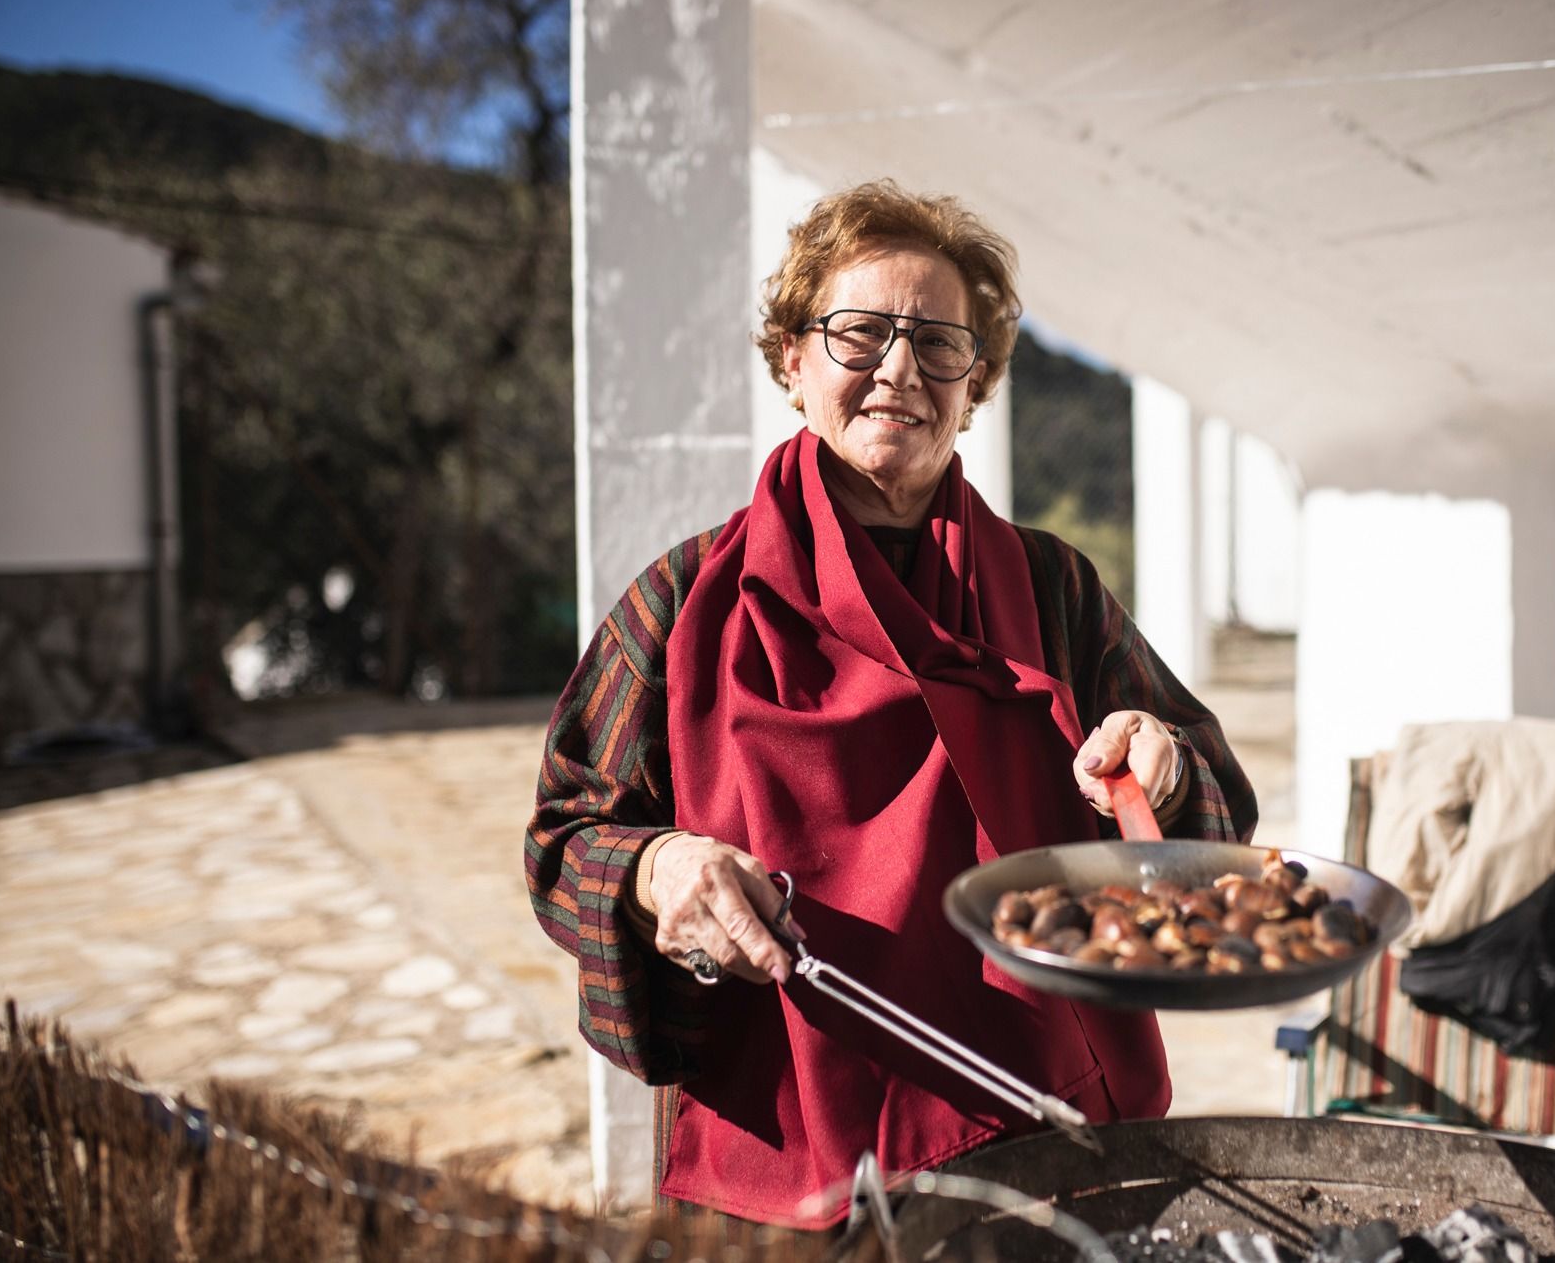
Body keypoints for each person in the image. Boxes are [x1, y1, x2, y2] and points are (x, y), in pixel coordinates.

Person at [526, 180, 1255, 1227]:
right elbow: (564, 837)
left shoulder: (1050, 588)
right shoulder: (687, 600)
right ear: (791, 357)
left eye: (939, 344)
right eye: (859, 333)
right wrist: (655, 868)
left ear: (976, 381)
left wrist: (1163, 766)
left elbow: (1203, 807)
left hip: (1048, 1138)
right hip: (788, 1153)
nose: (900, 372)